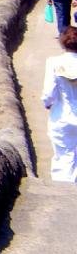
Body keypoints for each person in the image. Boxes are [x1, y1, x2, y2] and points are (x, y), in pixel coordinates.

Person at [43, 25, 77, 181]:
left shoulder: (54, 62)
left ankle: (63, 190)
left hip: (62, 115)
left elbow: (49, 92)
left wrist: (48, 103)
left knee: (63, 155)